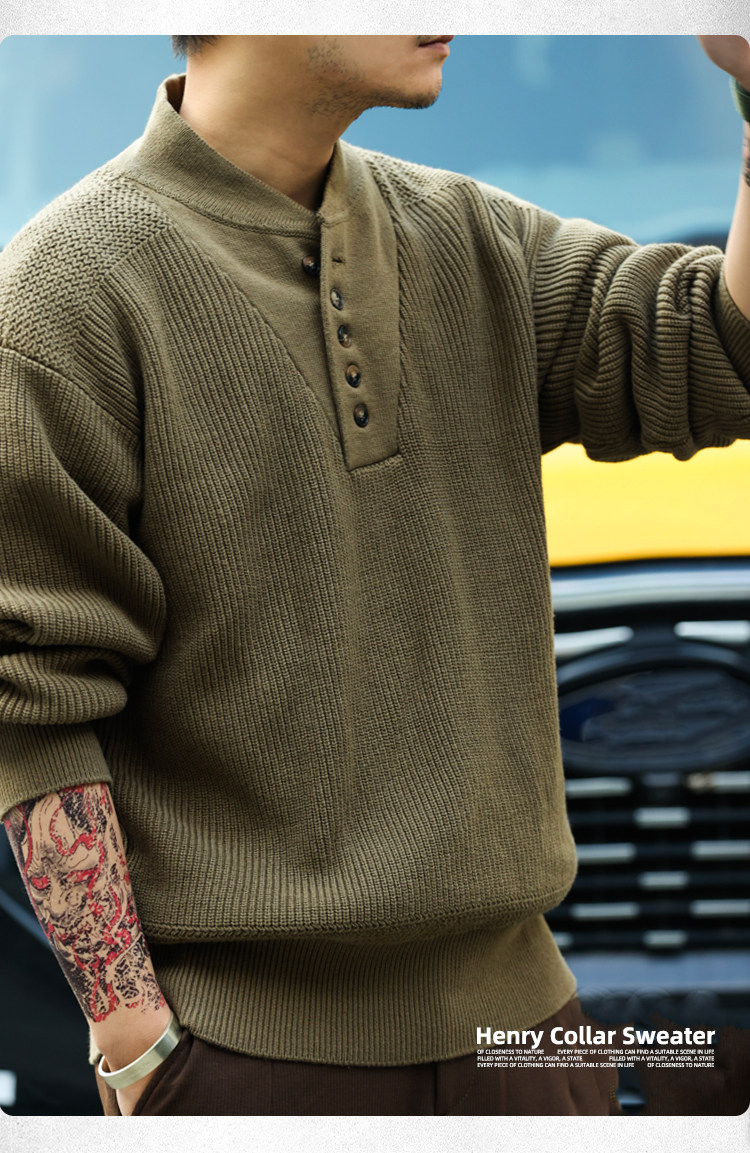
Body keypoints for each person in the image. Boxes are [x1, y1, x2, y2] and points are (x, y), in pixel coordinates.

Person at [1, 34, 750, 1118]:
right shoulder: (65, 296)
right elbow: (32, 704)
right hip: (246, 1068)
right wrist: (135, 1044)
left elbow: (720, 348)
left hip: (529, 1047)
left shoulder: (472, 238)